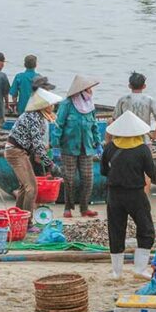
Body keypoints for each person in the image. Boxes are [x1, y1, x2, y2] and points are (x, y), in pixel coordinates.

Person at [101, 111, 156, 280]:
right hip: (136, 195)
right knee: (146, 230)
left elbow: (104, 171)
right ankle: (139, 269)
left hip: (114, 195)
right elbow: (152, 173)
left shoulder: (109, 148)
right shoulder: (142, 149)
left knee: (116, 230)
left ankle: (116, 272)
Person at [6, 86, 61, 214]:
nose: (53, 107)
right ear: (44, 105)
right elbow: (38, 146)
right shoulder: (34, 117)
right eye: (51, 104)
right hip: (15, 151)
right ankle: (28, 221)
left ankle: (18, 216)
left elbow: (37, 146)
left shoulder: (37, 116)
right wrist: (50, 165)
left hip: (20, 151)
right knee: (31, 188)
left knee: (24, 188)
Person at [57, 74, 101, 218]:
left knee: (88, 178)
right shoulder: (67, 104)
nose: (91, 91)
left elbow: (94, 125)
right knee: (69, 179)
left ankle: (84, 207)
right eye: (88, 89)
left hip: (87, 147)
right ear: (81, 90)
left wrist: (98, 143)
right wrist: (56, 145)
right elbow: (59, 125)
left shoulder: (90, 105)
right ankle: (68, 207)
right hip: (69, 147)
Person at [113, 72, 156, 141]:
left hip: (127, 138)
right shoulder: (149, 100)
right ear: (144, 86)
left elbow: (116, 119)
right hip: (144, 138)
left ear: (129, 86)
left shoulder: (123, 100)